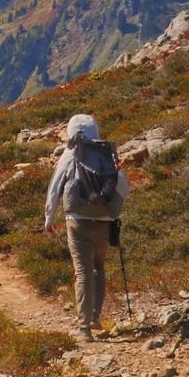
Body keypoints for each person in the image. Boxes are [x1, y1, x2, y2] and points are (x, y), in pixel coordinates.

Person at [45, 113, 130, 341]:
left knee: (82, 272)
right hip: (104, 221)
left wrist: (49, 219)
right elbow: (123, 184)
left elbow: (55, 188)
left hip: (77, 221)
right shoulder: (106, 154)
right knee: (98, 267)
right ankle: (94, 318)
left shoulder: (71, 154)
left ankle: (84, 329)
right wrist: (111, 206)